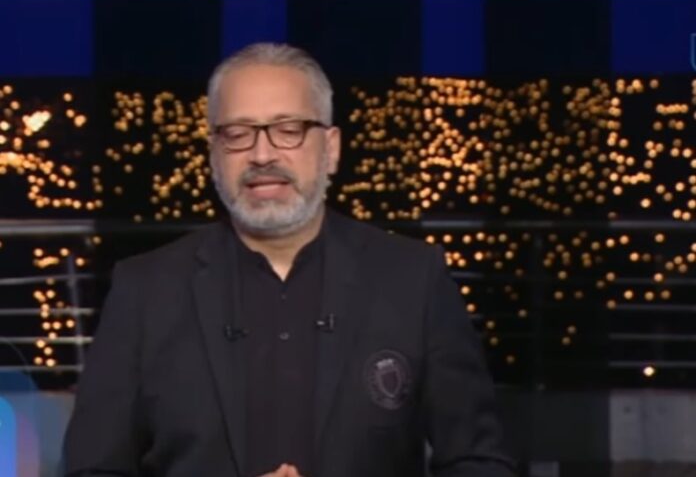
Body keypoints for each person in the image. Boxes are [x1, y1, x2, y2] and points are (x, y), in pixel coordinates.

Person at [63, 42, 517, 477]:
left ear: (331, 149)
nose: (262, 155)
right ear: (213, 154)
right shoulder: (145, 291)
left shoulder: (413, 279)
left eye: (288, 130)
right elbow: (93, 469)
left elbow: (479, 462)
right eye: (237, 134)